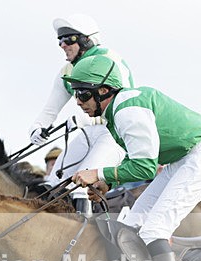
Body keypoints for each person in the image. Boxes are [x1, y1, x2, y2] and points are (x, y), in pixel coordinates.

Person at [64, 54, 201, 261]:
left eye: (82, 94)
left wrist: (98, 174)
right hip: (179, 161)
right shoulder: (118, 112)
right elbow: (138, 162)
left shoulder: (126, 111)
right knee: (129, 228)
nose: (78, 101)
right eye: (76, 94)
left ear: (104, 91)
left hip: (198, 159)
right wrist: (108, 184)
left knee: (153, 230)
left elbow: (146, 168)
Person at [30, 14, 133, 189]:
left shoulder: (109, 59)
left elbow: (121, 104)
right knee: (53, 182)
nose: (62, 45)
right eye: (60, 40)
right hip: (91, 132)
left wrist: (85, 120)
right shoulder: (67, 71)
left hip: (116, 134)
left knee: (80, 185)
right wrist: (37, 127)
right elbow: (50, 110)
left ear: (86, 40)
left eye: (68, 39)